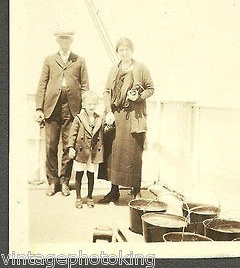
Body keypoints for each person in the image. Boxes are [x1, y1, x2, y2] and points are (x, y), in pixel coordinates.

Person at [98, 37, 154, 203]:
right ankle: (113, 191)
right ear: (118, 52)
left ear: (132, 50)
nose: (124, 52)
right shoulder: (113, 69)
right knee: (114, 154)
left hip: (134, 117)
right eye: (121, 50)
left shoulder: (141, 68)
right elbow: (107, 91)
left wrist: (138, 96)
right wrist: (108, 112)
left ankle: (136, 191)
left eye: (127, 49)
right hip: (116, 116)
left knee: (134, 153)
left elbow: (151, 89)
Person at [35, 30, 89, 196]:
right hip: (51, 108)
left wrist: (84, 110)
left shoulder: (79, 60)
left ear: (71, 40)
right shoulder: (49, 60)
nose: (64, 41)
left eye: (67, 38)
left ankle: (65, 181)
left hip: (72, 109)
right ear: (58, 40)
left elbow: (86, 86)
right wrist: (39, 109)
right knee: (51, 145)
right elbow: (42, 85)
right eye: (61, 38)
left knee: (68, 145)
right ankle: (52, 182)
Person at [68, 91, 104, 209]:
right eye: (89, 104)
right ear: (84, 104)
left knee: (91, 175)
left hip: (93, 153)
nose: (92, 106)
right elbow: (72, 134)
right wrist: (71, 148)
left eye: (94, 104)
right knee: (79, 174)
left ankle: (89, 196)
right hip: (81, 151)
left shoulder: (99, 118)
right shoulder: (79, 118)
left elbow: (102, 134)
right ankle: (78, 197)